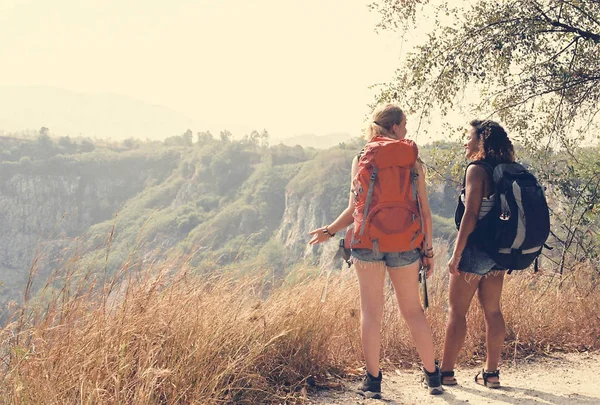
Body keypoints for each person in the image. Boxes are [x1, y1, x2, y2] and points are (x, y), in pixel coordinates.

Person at [309, 103, 442, 398]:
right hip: (406, 242)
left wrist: (329, 231)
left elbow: (354, 208)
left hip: (367, 242)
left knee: (371, 312)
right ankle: (433, 377)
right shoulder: (412, 161)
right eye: (404, 124)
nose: (406, 130)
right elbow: (425, 212)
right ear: (394, 126)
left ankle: (372, 382)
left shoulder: (362, 158)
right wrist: (428, 252)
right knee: (413, 311)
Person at [440, 119, 516, 389]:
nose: (465, 142)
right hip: (498, 250)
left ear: (481, 140)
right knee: (493, 311)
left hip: (474, 250)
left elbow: (470, 215)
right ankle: (492, 374)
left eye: (469, 137)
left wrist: (456, 254)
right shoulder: (502, 168)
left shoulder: (476, 170)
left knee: (456, 312)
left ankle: (446, 373)